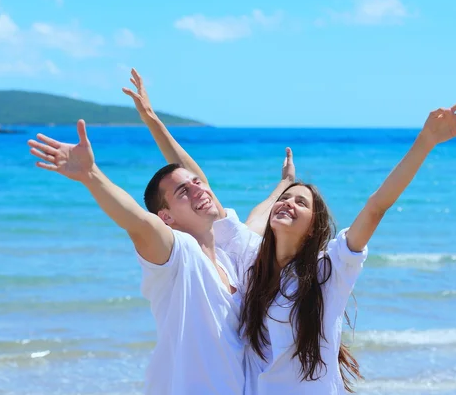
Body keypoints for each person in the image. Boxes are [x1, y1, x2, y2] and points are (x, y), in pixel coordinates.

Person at [26, 69, 294, 395]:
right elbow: (138, 222)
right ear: (166, 216)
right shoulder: (177, 254)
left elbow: (254, 217)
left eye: (198, 184)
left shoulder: (230, 261)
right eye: (183, 192)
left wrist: (284, 185)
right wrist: (91, 175)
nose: (198, 190)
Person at [210, 96, 456, 394]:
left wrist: (425, 141)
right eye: (284, 199)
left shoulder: (329, 269)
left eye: (300, 202)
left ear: (313, 228)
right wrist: (284, 184)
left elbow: (376, 207)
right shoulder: (254, 263)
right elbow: (233, 214)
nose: (287, 203)